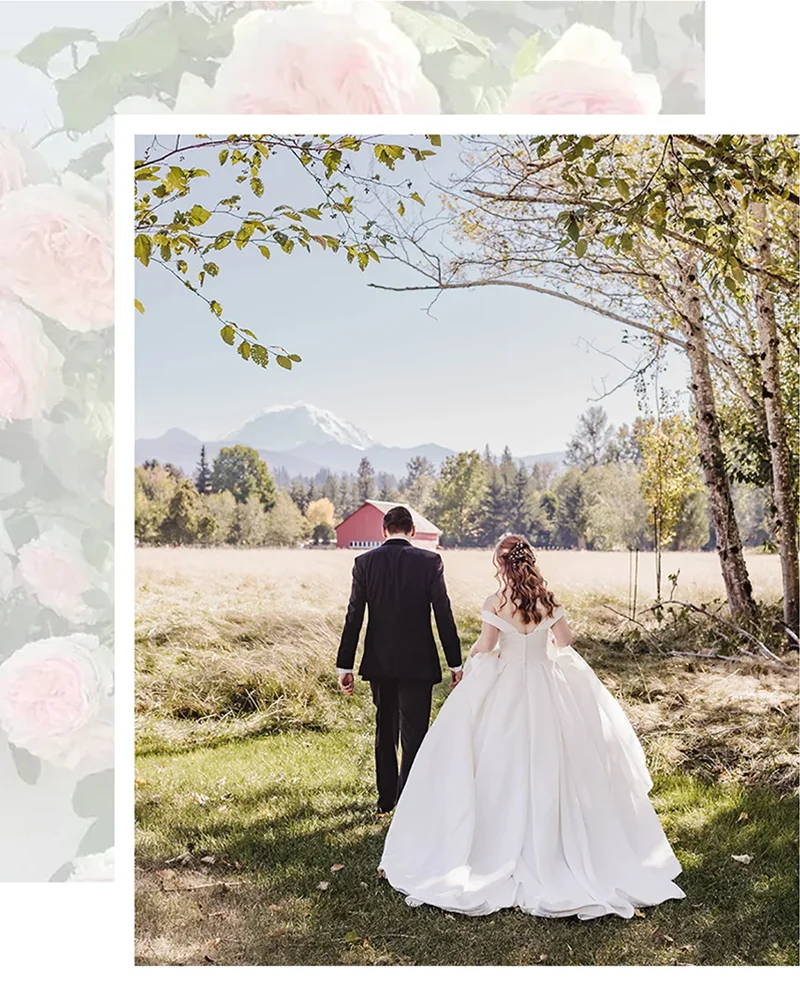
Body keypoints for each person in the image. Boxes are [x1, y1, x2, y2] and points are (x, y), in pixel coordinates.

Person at [380, 534, 685, 920]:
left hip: (506, 686)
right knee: (555, 759)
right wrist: (541, 642)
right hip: (545, 685)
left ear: (502, 564)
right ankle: (563, 846)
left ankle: (492, 843)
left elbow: (487, 645)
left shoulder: (497, 603)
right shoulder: (548, 600)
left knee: (497, 761)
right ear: (530, 562)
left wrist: (474, 660)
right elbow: (565, 640)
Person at [336, 505, 462, 815]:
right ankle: (410, 801)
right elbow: (443, 614)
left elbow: (354, 616)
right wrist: (455, 663)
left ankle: (386, 800)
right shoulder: (430, 561)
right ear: (413, 531)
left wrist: (345, 664)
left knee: (385, 728)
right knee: (415, 732)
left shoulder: (364, 562)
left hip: (379, 661)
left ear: (383, 531)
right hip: (418, 662)